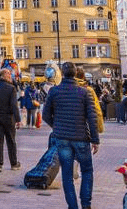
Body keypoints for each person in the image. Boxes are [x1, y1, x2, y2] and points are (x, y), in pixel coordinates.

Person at [42, 62, 100, 209]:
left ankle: (72, 206)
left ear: (62, 73)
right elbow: (92, 117)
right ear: (75, 74)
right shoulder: (84, 92)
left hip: (62, 138)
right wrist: (95, 139)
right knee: (87, 170)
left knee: (67, 174)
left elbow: (46, 115)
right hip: (81, 137)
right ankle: (86, 204)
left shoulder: (54, 92)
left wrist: (56, 126)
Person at [0, 68, 21, 171]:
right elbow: (14, 105)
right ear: (5, 75)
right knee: (11, 140)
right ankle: (14, 163)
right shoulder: (11, 88)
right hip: (8, 117)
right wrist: (18, 119)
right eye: (9, 74)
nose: (11, 76)